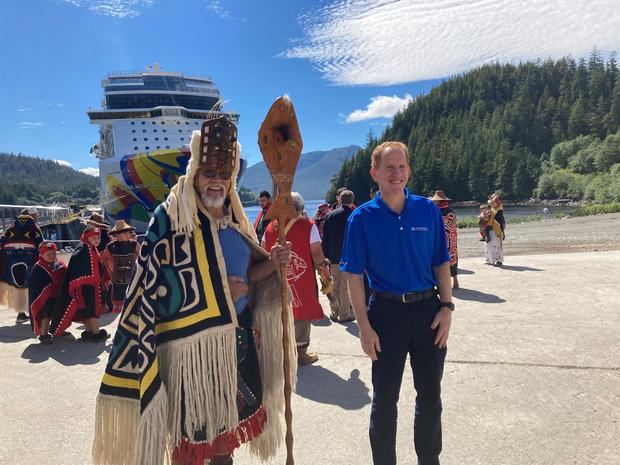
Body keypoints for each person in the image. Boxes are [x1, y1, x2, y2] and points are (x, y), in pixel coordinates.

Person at [92, 115, 295, 465]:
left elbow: (250, 273)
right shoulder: (169, 218)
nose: (216, 182)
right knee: (191, 440)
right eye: (209, 174)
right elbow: (151, 285)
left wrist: (272, 264)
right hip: (191, 350)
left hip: (237, 342)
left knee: (224, 438)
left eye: (224, 175)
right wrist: (217, 294)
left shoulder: (236, 220)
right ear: (195, 174)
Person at [341, 141, 453, 465]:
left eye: (402, 167)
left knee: (430, 396)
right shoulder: (361, 219)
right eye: (389, 167)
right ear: (374, 172)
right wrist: (363, 327)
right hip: (386, 315)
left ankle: (429, 460)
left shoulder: (427, 210)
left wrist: (447, 308)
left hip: (428, 312)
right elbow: (354, 277)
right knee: (385, 400)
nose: (397, 173)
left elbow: (441, 263)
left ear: (409, 171)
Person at [263, 192, 328, 366]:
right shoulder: (308, 226)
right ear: (300, 208)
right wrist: (323, 268)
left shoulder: (270, 227)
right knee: (301, 314)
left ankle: (284, 353)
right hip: (302, 280)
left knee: (282, 314)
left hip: (275, 279)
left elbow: (263, 251)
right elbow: (317, 254)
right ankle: (300, 354)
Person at [50, 226, 109, 341]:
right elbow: (79, 269)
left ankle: (89, 331)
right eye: (93, 238)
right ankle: (96, 333)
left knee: (88, 310)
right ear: (87, 237)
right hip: (89, 287)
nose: (97, 240)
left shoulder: (89, 248)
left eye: (98, 238)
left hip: (89, 286)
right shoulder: (83, 251)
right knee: (93, 310)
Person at [0, 209, 43, 323]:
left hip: (11, 264)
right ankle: (34, 313)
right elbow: (41, 245)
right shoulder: (35, 230)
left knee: (18, 286)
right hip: (30, 263)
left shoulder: (9, 230)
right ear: (31, 216)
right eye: (35, 215)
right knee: (32, 287)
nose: (37, 217)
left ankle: (21, 313)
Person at [322, 189, 356, 322]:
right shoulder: (355, 214)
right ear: (352, 201)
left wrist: (325, 254)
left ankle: (334, 312)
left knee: (335, 284)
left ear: (340, 200)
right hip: (349, 256)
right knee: (345, 286)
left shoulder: (330, 215)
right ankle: (344, 314)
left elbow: (326, 237)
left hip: (333, 256)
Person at [28, 242, 67, 344]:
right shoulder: (38, 268)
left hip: (57, 295)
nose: (52, 256)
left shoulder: (59, 263)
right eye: (48, 254)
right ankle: (44, 334)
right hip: (44, 299)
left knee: (60, 313)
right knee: (46, 315)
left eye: (54, 253)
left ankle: (58, 330)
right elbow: (35, 285)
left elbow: (65, 274)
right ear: (41, 255)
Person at [101, 219, 140, 313]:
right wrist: (110, 274)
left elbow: (142, 256)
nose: (128, 234)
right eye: (126, 233)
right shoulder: (111, 246)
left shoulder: (134, 244)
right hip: (117, 280)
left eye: (129, 232)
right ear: (118, 234)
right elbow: (104, 259)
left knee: (133, 303)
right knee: (119, 306)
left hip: (132, 277)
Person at [429, 190, 459, 288]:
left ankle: (442, 283)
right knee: (453, 258)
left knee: (440, 260)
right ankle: (455, 280)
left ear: (438, 201)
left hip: (441, 239)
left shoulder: (436, 211)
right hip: (452, 239)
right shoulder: (451, 211)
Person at [486, 193, 506, 266]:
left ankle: (499, 260)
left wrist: (502, 232)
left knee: (497, 245)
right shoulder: (493, 209)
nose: (492, 204)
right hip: (491, 229)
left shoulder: (499, 210)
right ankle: (490, 259)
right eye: (492, 202)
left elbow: (500, 222)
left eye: (493, 202)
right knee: (490, 244)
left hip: (497, 230)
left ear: (497, 203)